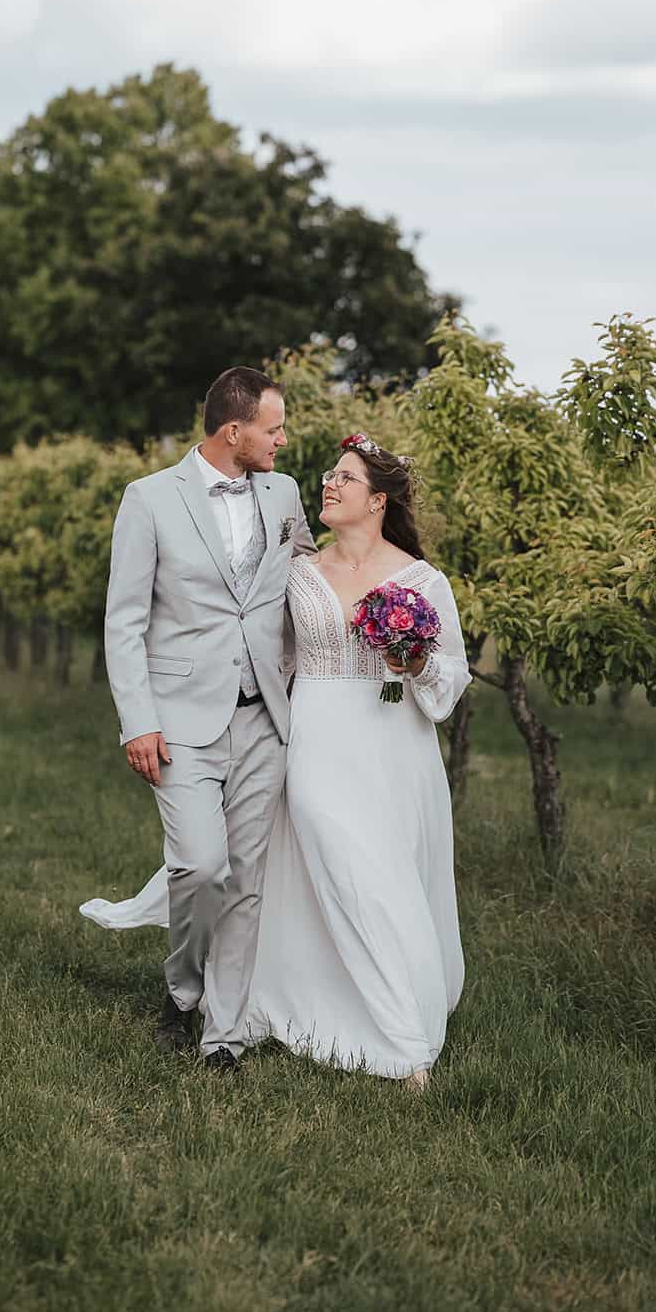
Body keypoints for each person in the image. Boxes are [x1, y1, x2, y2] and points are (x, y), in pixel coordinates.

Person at [82, 430, 470, 1091]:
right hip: (312, 735)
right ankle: (400, 1042)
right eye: (328, 474)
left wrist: (416, 660)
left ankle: (386, 1013)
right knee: (335, 853)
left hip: (391, 747)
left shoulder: (419, 580)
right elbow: (247, 639)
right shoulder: (293, 571)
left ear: (376, 500)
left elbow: (451, 675)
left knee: (382, 874)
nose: (328, 483)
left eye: (344, 478)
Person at [81, 367, 316, 1070]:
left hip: (265, 717)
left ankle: (222, 1034)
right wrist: (136, 721)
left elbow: (307, 578)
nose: (282, 439)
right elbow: (123, 621)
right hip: (179, 717)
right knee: (199, 866)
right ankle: (181, 993)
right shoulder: (148, 499)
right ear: (232, 431)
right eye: (273, 428)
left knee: (245, 878)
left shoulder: (284, 493)